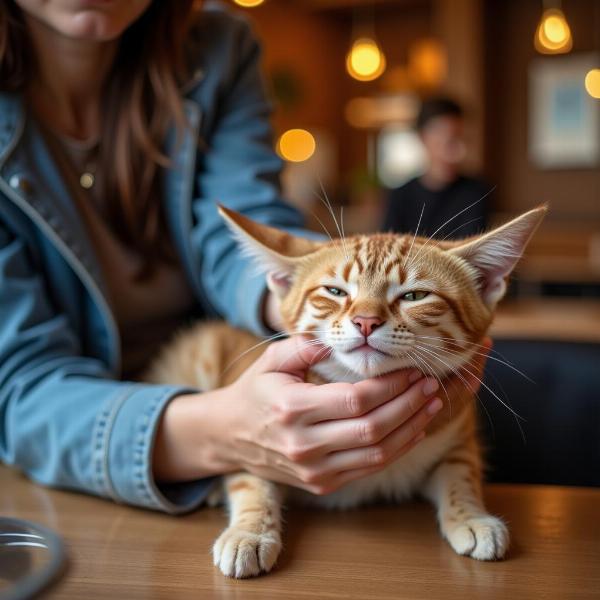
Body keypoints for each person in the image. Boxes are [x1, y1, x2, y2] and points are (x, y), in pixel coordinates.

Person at [0, 1, 487, 514]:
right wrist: (222, 433)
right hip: (52, 475)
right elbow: (15, 394)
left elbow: (242, 231)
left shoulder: (218, 44)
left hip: (232, 392)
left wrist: (313, 309)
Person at [382, 97, 491, 239]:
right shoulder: (400, 196)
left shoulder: (475, 192)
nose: (453, 149)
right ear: (423, 138)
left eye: (458, 138)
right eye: (443, 139)